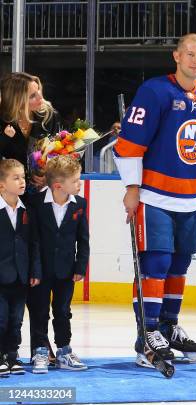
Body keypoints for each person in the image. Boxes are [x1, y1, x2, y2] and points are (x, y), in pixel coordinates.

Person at [113, 33, 196, 368]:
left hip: (190, 197)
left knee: (179, 265)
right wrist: (132, 188)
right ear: (176, 56)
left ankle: (169, 327)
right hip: (154, 196)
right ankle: (147, 333)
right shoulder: (155, 91)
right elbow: (128, 144)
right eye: (190, 54)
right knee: (155, 265)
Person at [27, 155, 89, 374]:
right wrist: (34, 269)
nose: (79, 184)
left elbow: (83, 239)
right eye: (75, 181)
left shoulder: (80, 204)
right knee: (39, 311)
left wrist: (81, 266)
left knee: (63, 311)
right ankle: (40, 352)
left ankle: (64, 350)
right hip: (40, 272)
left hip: (66, 270)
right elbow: (32, 240)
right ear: (58, 185)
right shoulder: (35, 203)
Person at [0, 159, 41, 376]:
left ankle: (12, 355)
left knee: (16, 320)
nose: (22, 181)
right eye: (15, 178)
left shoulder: (27, 211)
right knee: (1, 319)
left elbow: (33, 243)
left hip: (21, 277)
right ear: (2, 185)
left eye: (23, 177)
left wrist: (34, 271)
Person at [0, 72, 61, 194]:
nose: (40, 98)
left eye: (38, 91)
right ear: (16, 100)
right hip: (7, 192)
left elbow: (59, 152)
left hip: (42, 190)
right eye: (33, 96)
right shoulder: (2, 120)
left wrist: (50, 175)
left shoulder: (48, 116)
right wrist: (5, 138)